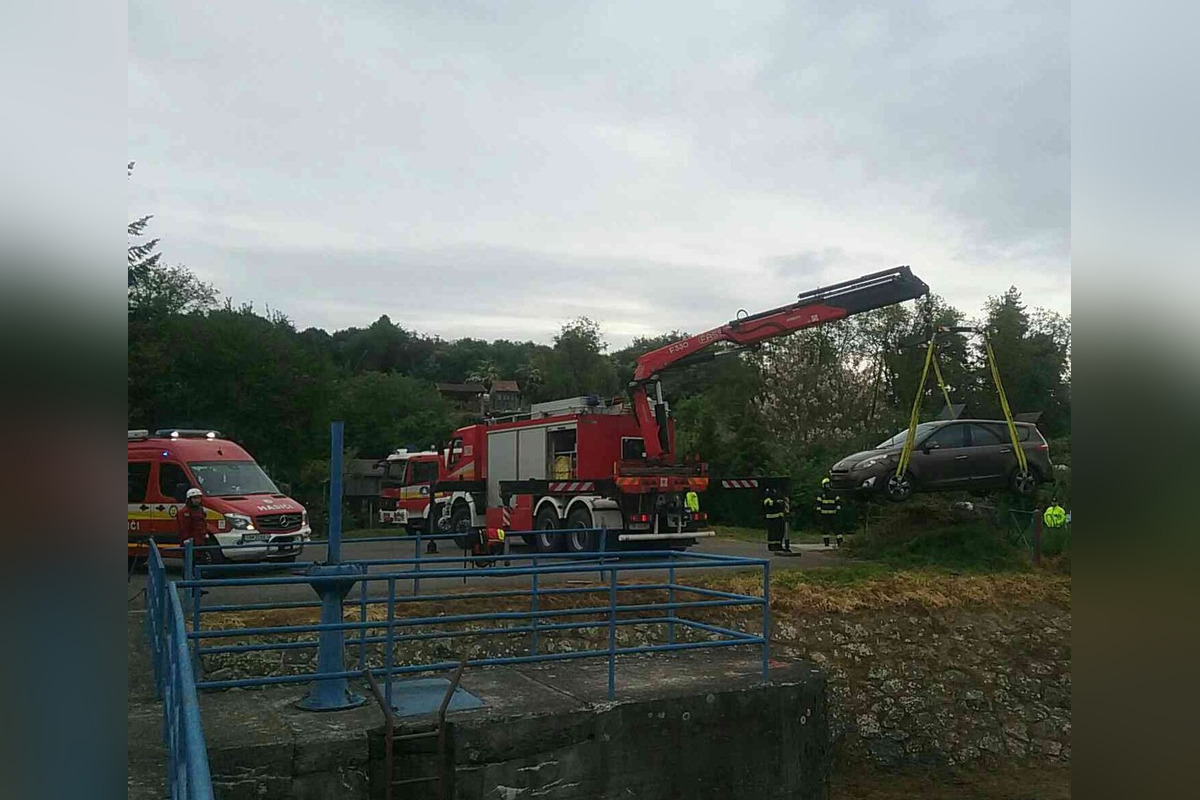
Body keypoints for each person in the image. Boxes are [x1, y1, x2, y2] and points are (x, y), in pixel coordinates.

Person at [176, 487, 211, 563]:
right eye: (194, 498)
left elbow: (203, 524)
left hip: (200, 541)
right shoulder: (184, 512)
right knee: (190, 562)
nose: (197, 500)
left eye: (198, 498)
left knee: (201, 561)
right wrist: (186, 539)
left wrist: (205, 534)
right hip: (190, 542)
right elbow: (183, 527)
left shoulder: (200, 510)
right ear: (189, 499)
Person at [815, 477, 843, 547]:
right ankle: (828, 543)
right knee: (827, 529)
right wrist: (818, 513)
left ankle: (838, 542)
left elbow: (838, 503)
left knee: (834, 528)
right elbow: (818, 504)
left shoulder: (832, 493)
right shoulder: (822, 494)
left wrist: (838, 512)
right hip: (827, 514)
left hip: (831, 514)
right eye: (826, 484)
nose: (827, 486)